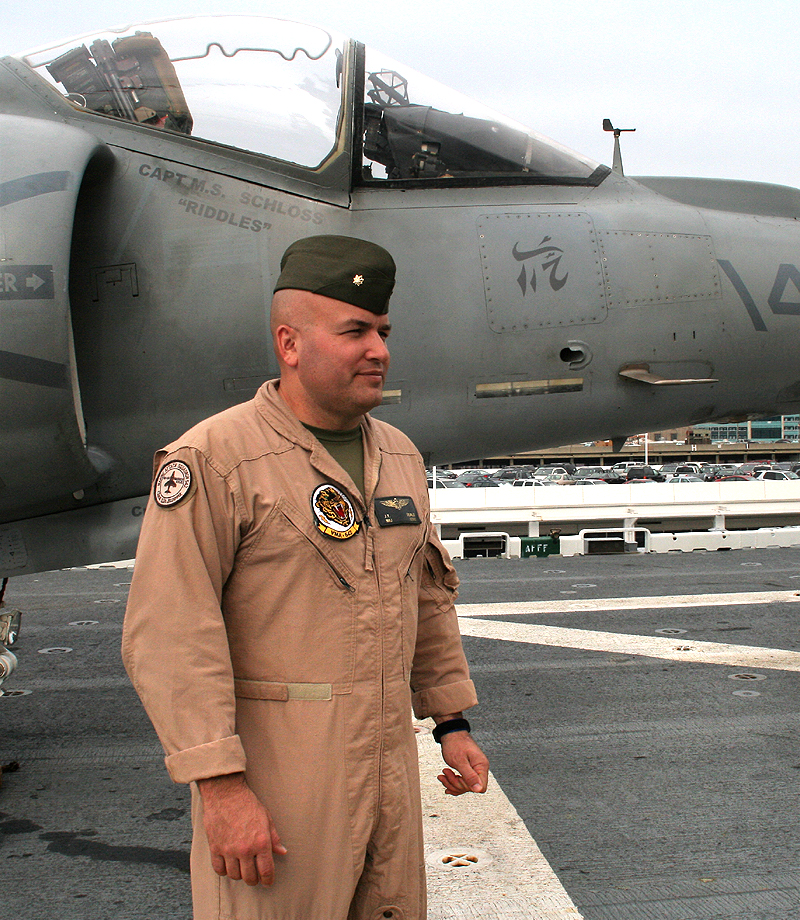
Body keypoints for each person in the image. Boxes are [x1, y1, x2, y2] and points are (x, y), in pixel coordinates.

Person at [122, 234, 489, 920]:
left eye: (383, 332)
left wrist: (451, 722)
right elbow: (170, 633)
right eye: (355, 332)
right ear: (289, 344)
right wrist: (219, 788)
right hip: (279, 791)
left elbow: (426, 597)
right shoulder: (216, 458)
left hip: (388, 779)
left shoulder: (400, 456)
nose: (379, 350)